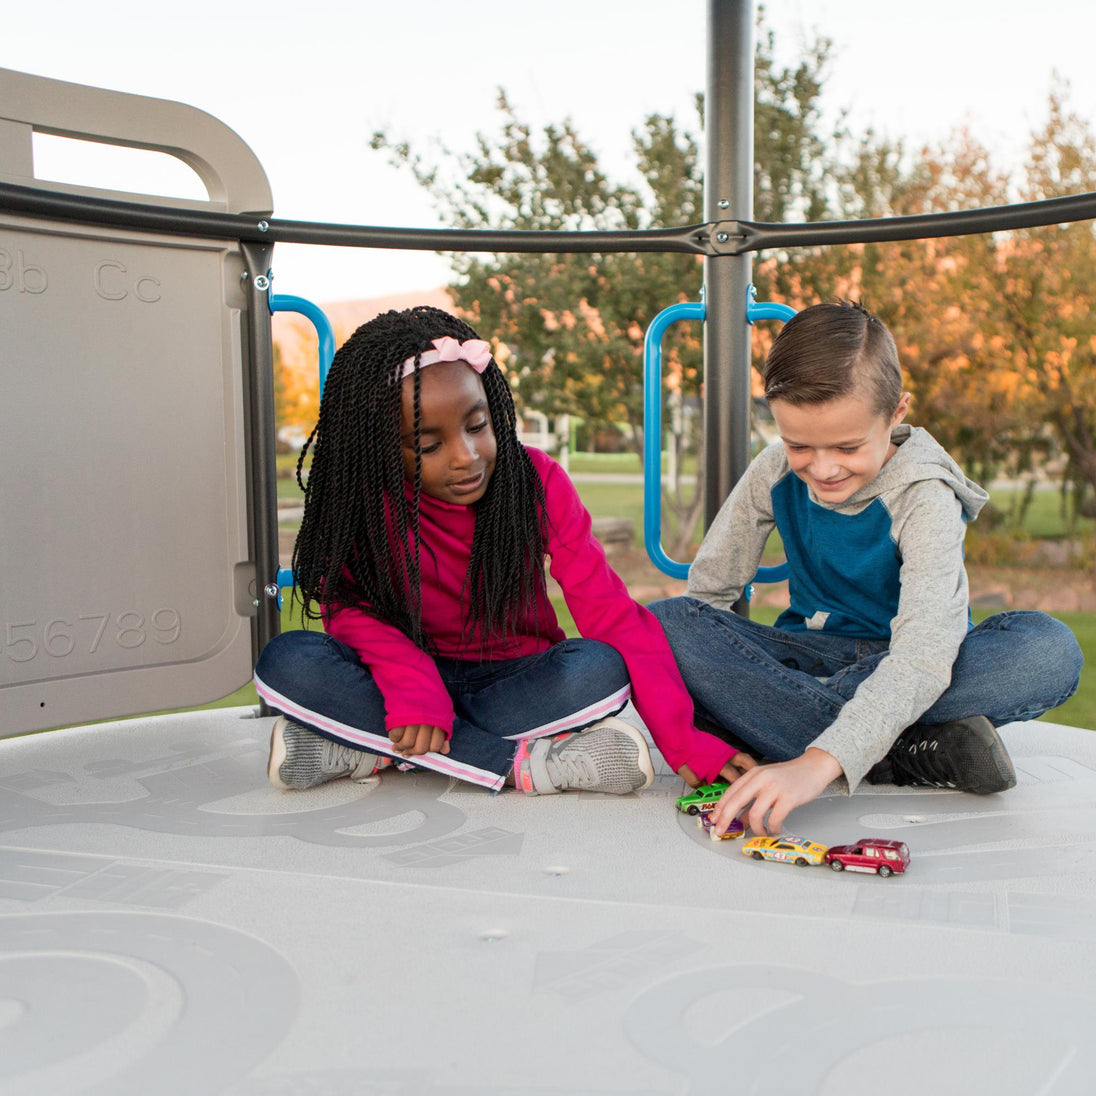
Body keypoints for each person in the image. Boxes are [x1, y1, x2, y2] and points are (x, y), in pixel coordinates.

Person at [255, 305, 754, 797]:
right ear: (380, 446)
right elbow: (347, 608)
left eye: (476, 426)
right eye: (429, 446)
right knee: (288, 660)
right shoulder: (362, 502)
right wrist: (412, 680)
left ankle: (379, 748)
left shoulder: (535, 480)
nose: (466, 456)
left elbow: (611, 614)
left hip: (513, 682)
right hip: (399, 675)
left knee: (599, 668)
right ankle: (517, 765)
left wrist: (686, 741)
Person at [649, 299, 1083, 837]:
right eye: (799, 445)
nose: (823, 468)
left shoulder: (925, 495)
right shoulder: (773, 471)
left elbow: (924, 656)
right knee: (667, 622)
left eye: (848, 446)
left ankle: (798, 736)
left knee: (1047, 651)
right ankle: (902, 751)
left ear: (896, 413)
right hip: (809, 658)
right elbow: (707, 596)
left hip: (919, 665)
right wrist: (697, 687)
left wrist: (814, 761)